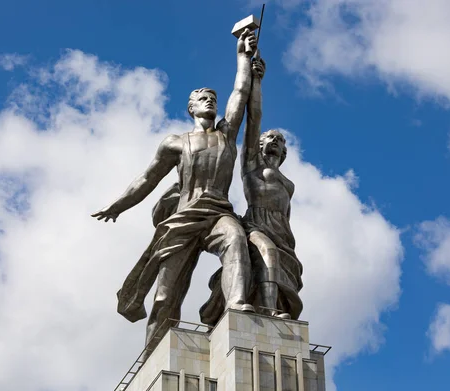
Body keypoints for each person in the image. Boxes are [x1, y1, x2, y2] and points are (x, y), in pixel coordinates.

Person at [92, 29, 257, 358]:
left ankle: (237, 306)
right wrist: (119, 205)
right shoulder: (175, 142)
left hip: (217, 214)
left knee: (236, 239)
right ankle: (152, 356)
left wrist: (243, 56)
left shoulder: (227, 134)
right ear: (191, 108)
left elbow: (240, 92)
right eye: (203, 98)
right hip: (183, 220)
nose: (210, 100)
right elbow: (147, 178)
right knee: (166, 296)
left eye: (213, 97)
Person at [200, 56, 303, 325]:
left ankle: (271, 307)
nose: (273, 141)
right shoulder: (252, 166)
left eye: (278, 140)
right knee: (266, 252)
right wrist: (257, 80)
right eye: (268, 139)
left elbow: (287, 211)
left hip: (283, 230)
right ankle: (269, 311)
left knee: (276, 265)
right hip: (256, 223)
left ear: (284, 151)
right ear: (259, 145)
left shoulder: (286, 180)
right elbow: (254, 116)